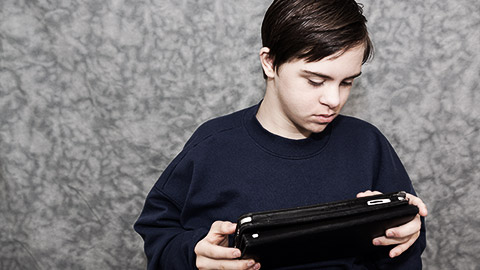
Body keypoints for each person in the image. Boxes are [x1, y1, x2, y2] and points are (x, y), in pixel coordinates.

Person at [134, 0, 428, 269]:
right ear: (270, 62)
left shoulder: (367, 144)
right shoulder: (212, 146)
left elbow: (406, 251)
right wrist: (193, 253)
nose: (334, 99)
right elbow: (159, 237)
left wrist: (402, 229)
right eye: (316, 81)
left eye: (347, 82)